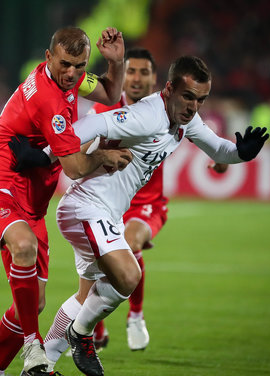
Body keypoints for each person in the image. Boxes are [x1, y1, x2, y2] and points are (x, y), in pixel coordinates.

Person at [14, 55, 268, 376]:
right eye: (188, 97)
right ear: (169, 88)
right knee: (128, 277)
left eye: (200, 100)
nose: (193, 107)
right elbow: (95, 124)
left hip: (105, 212)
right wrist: (45, 155)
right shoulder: (146, 115)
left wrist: (241, 153)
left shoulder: (185, 120)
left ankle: (41, 368)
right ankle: (81, 333)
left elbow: (218, 149)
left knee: (90, 293)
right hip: (87, 207)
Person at [0, 27, 132, 376]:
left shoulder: (68, 83)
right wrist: (103, 155)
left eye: (79, 66)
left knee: (33, 303)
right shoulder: (48, 98)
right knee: (23, 247)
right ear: (48, 57)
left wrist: (116, 62)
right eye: (65, 65)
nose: (72, 73)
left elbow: (109, 92)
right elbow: (74, 168)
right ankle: (33, 351)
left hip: (31, 205)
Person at [82, 48, 228, 353]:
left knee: (129, 242)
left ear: (157, 81)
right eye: (131, 71)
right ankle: (92, 327)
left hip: (146, 203)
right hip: (109, 201)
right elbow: (82, 147)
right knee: (94, 265)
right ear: (122, 78)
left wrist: (223, 159)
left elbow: (211, 143)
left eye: (144, 72)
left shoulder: (170, 109)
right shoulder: (104, 113)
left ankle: (135, 316)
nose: (136, 78)